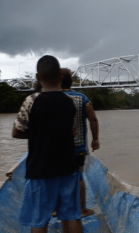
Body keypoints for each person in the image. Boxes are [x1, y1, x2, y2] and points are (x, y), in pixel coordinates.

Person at [12, 56, 82, 233]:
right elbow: (72, 131)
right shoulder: (70, 102)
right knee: (71, 215)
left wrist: (38, 134)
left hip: (40, 169)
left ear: (37, 77)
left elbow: (16, 131)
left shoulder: (31, 101)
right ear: (60, 75)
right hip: (68, 167)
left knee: (39, 220)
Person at [61, 68, 100, 217]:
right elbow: (93, 119)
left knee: (57, 177)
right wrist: (95, 139)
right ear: (71, 82)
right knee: (78, 176)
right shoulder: (82, 98)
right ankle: (82, 209)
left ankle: (55, 209)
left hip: (57, 147)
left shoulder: (52, 98)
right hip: (79, 147)